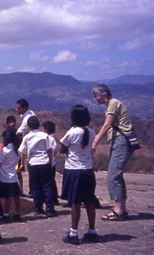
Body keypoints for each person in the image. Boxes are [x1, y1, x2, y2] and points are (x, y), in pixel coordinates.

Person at [92, 84, 134, 221]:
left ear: (104, 94)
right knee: (117, 176)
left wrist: (95, 141)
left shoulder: (113, 104)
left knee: (113, 176)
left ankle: (118, 210)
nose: (96, 99)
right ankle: (121, 208)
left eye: (97, 95)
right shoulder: (112, 104)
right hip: (119, 141)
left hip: (121, 140)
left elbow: (107, 124)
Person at [60, 105, 98, 245]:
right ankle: (92, 231)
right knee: (89, 201)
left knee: (75, 203)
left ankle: (73, 233)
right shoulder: (92, 132)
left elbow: (62, 149)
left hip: (74, 170)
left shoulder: (72, 132)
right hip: (88, 170)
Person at [18, 116, 58, 217]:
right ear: (39, 125)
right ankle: (50, 208)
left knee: (35, 186)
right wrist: (49, 161)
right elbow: (49, 149)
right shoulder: (44, 136)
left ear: (28, 126)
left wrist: (22, 163)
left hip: (33, 163)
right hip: (44, 162)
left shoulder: (26, 137)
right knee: (47, 185)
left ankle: (38, 207)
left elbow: (22, 152)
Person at [0, 129, 21, 222]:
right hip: (13, 176)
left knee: (7, 197)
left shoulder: (4, 150)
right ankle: (17, 213)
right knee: (16, 196)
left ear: (6, 138)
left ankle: (6, 214)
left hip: (5, 177)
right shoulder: (16, 150)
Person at [42, 121, 59, 205]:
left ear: (45, 130)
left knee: (49, 182)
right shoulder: (52, 139)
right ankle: (54, 198)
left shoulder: (49, 139)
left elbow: (50, 151)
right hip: (52, 163)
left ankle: (52, 198)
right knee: (51, 181)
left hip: (49, 163)